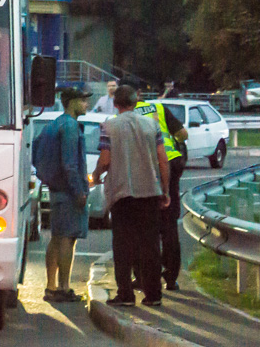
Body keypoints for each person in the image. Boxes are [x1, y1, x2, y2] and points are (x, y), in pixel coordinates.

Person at [92, 84, 170, 307]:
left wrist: (97, 174)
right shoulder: (151, 125)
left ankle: (125, 293)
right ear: (136, 102)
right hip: (149, 193)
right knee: (150, 245)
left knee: (123, 245)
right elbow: (162, 160)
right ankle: (153, 294)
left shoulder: (109, 127)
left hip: (122, 194)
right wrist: (164, 190)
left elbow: (105, 159)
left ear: (115, 104)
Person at [35, 86, 92, 303]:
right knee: (68, 239)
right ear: (72, 102)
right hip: (68, 192)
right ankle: (64, 287)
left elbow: (37, 153)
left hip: (55, 189)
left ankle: (50, 285)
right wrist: (78, 191)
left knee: (57, 238)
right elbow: (70, 164)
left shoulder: (53, 124)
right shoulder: (70, 127)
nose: (87, 104)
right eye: (83, 100)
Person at [136, 98, 188, 291]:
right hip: (171, 163)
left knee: (144, 227)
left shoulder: (125, 114)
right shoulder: (159, 107)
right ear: (141, 93)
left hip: (145, 167)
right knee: (169, 225)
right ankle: (171, 277)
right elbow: (183, 134)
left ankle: (143, 276)